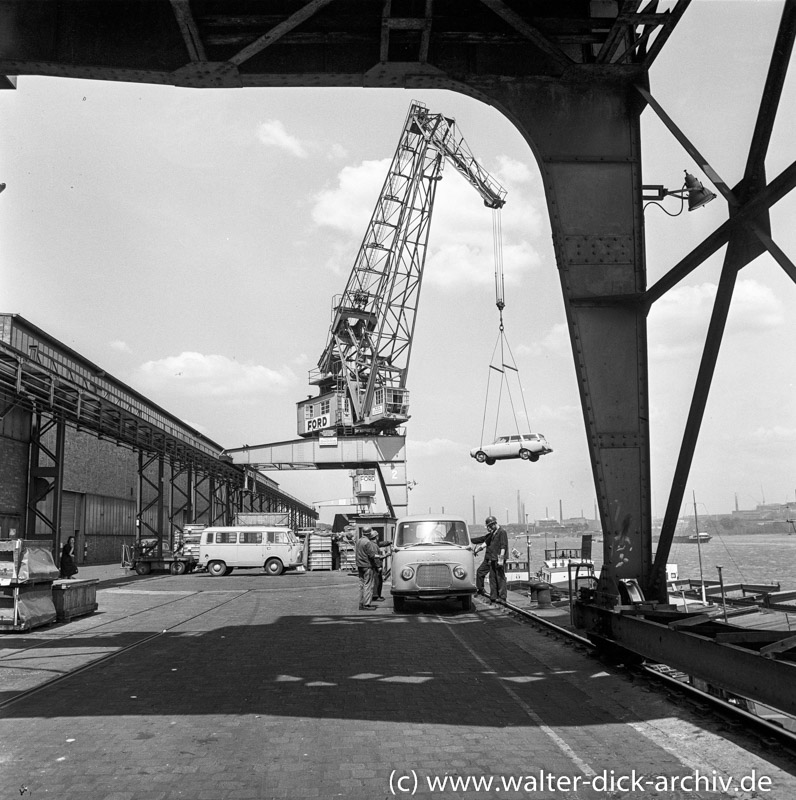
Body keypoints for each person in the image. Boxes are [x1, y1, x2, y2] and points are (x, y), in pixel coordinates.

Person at [483, 516, 508, 602]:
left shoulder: (502, 532)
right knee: (492, 577)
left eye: (489, 526)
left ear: (493, 524)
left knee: (500, 577)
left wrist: (501, 559)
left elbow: (503, 546)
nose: (489, 528)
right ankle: (493, 596)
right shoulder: (494, 532)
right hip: (493, 558)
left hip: (498, 559)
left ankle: (502, 597)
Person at [355, 526, 380, 610]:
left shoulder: (359, 541)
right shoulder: (367, 542)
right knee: (368, 585)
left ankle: (361, 603)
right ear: (369, 533)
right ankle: (367, 604)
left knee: (361, 585)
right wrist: (381, 555)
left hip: (360, 565)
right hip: (367, 566)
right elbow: (372, 555)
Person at [470, 524, 494, 596]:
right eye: (488, 528)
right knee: (481, 572)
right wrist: (469, 540)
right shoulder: (490, 535)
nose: (488, 529)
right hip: (489, 558)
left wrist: (477, 550)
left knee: (484, 573)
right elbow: (480, 539)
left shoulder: (493, 535)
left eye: (489, 527)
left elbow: (484, 543)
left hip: (491, 558)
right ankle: (481, 589)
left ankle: (482, 589)